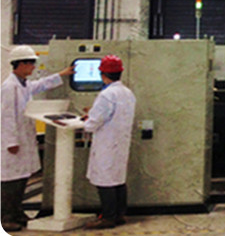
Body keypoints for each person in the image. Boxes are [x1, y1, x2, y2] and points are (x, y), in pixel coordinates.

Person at [1, 45, 74, 231]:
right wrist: (11, 142)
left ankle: (16, 212)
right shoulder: (9, 87)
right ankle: (6, 218)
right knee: (11, 182)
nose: (34, 67)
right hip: (13, 143)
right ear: (20, 64)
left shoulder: (23, 84)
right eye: (31, 63)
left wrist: (62, 74)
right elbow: (6, 117)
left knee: (22, 179)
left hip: (23, 140)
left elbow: (39, 85)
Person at [83, 55, 136, 230]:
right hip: (120, 143)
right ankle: (119, 214)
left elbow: (93, 123)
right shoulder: (127, 93)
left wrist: (86, 121)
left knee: (105, 180)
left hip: (106, 144)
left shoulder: (106, 95)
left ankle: (108, 217)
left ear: (103, 75)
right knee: (118, 179)